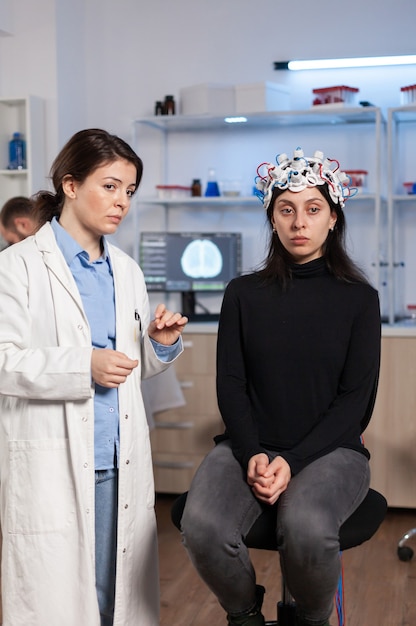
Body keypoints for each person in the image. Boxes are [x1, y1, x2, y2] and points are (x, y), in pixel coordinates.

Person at [180, 147, 381, 626]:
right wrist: (252, 452)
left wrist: (291, 461)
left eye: (313, 209)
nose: (299, 222)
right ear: (271, 218)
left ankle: (310, 620)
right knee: (202, 525)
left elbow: (355, 403)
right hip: (249, 446)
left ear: (333, 218)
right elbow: (231, 383)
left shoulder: (359, 300)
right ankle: (245, 614)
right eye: (286, 210)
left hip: (332, 450)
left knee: (307, 527)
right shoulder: (243, 294)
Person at [0, 128, 188, 626]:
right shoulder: (17, 267)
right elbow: (4, 360)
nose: (121, 201)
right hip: (53, 458)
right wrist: (83, 363)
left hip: (118, 456)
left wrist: (159, 345)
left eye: (129, 190)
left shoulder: (126, 271)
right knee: (60, 600)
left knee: (114, 597)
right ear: (69, 184)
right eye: (109, 186)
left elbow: (128, 368)